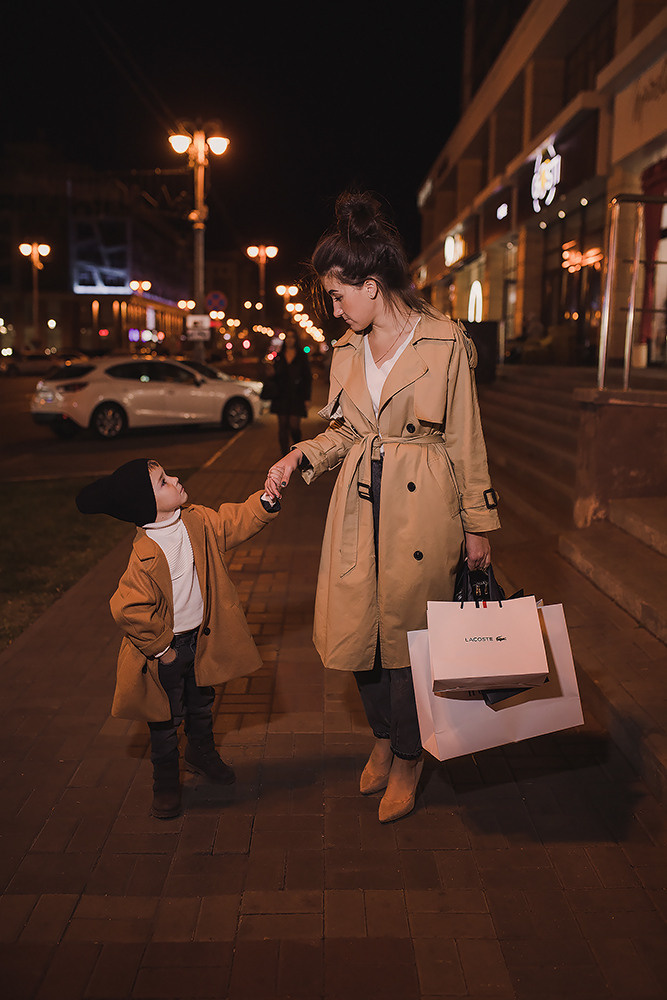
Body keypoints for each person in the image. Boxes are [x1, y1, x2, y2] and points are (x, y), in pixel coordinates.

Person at [264, 190, 500, 823]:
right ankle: (380, 736)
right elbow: (345, 432)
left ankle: (407, 755)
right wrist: (298, 458)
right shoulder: (346, 351)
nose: (333, 310)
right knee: (358, 638)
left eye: (338, 295)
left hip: (422, 514)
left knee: (406, 643)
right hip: (356, 507)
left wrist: (479, 526)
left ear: (371, 284)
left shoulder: (445, 344)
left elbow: (465, 439)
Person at [76, 459, 280, 819]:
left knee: (201, 702)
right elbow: (128, 609)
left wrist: (263, 503)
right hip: (165, 652)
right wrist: (163, 649)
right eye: (163, 481)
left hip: (200, 641)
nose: (175, 479)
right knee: (165, 719)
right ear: (146, 505)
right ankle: (166, 782)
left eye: (168, 475)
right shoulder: (144, 555)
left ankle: (201, 752)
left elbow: (231, 523)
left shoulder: (196, 520)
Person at [269, 329, 312, 454]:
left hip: (297, 396)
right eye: (287, 337)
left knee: (294, 427)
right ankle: (284, 455)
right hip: (281, 395)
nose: (290, 340)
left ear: (296, 339)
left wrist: (307, 398)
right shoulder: (279, 356)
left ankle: (296, 452)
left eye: (292, 337)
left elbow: (307, 378)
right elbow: (275, 375)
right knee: (282, 426)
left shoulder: (301, 356)